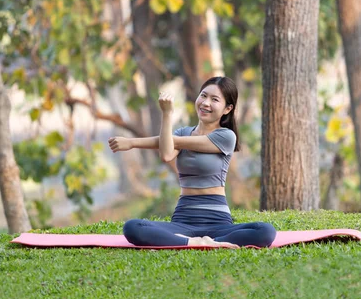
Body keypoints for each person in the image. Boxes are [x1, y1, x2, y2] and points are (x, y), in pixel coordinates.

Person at [107, 76, 276, 248]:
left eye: (214, 99)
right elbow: (166, 154)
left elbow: (175, 142)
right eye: (203, 95)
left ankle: (208, 242)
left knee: (265, 231)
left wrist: (133, 142)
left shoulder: (226, 136)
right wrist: (167, 114)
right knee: (133, 227)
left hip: (219, 223)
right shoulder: (183, 132)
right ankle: (195, 242)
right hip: (183, 221)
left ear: (227, 109)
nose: (205, 103)